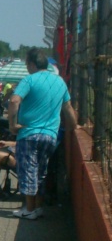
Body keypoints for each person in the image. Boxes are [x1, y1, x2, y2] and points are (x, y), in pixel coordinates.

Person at [7, 48, 77, 220]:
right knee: (41, 171)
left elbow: (14, 101)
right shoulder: (60, 82)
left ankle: (29, 209)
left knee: (28, 170)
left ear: (31, 64)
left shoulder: (29, 80)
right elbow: (67, 108)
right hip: (50, 135)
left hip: (29, 134)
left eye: (27, 65)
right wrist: (73, 126)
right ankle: (38, 206)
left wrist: (12, 125)